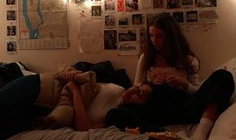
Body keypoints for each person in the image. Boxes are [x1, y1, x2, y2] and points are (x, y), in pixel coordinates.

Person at [105, 13, 235, 140]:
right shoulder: (146, 58)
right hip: (156, 109)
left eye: (159, 36)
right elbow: (137, 85)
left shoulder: (188, 60)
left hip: (183, 106)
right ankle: (160, 133)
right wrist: (147, 87)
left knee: (223, 76)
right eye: (151, 36)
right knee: (114, 114)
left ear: (170, 36)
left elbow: (197, 91)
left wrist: (183, 84)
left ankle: (200, 133)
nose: (154, 40)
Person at [0, 67, 100, 139]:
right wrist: (74, 89)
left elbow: (83, 127)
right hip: (37, 86)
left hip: (37, 96)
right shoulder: (111, 94)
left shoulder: (112, 119)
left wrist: (74, 91)